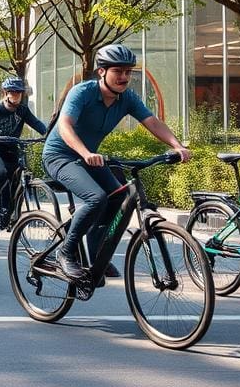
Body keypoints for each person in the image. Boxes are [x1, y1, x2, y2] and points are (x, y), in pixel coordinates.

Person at [43, 44, 190, 281]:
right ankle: (66, 252)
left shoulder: (127, 98)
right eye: (118, 71)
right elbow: (65, 125)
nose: (124, 77)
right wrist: (84, 152)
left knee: (118, 197)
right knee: (95, 198)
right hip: (60, 155)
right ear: (102, 72)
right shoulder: (82, 92)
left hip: (89, 156)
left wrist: (177, 145)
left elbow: (152, 121)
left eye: (127, 72)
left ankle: (96, 253)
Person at [0, 76, 48, 224]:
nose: (16, 95)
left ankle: (13, 214)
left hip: (11, 147)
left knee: (17, 179)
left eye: (19, 92)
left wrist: (48, 134)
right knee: (2, 174)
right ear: (5, 93)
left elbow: (36, 123)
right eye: (13, 92)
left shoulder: (23, 110)